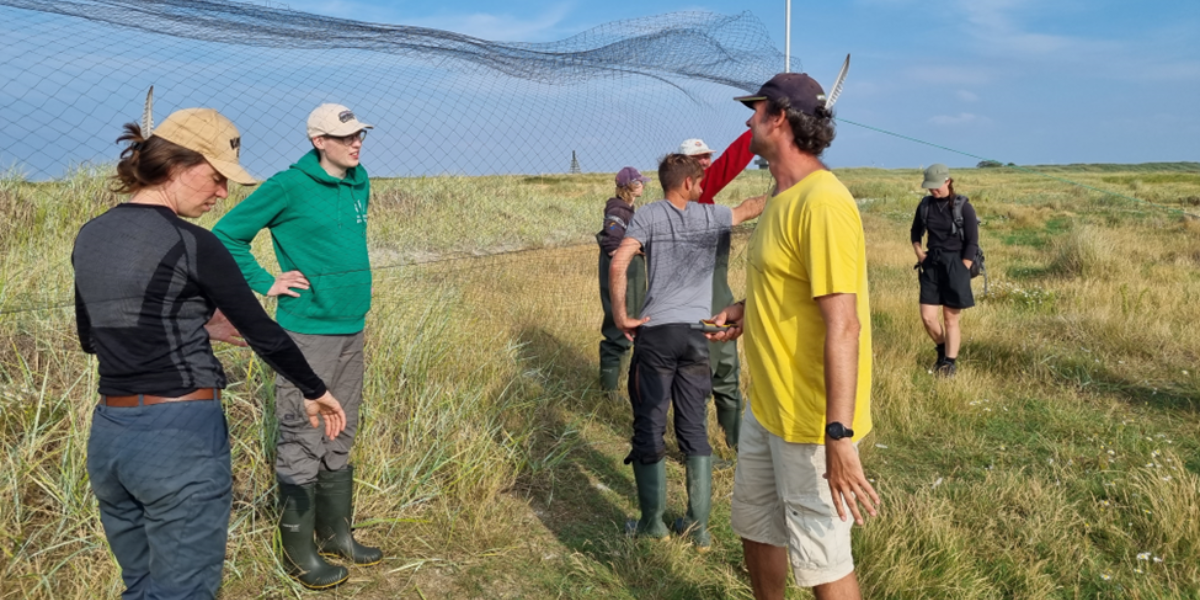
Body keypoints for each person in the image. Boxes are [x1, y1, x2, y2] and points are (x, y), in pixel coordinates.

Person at [73, 108, 347, 599]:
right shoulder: (192, 242)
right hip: (180, 438)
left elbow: (92, 337)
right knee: (186, 590)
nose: (222, 193)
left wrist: (188, 320)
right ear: (177, 166)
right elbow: (263, 333)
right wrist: (314, 389)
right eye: (217, 177)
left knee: (141, 585)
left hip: (110, 439)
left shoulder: (90, 235)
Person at [707, 73, 881, 599]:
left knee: (824, 561)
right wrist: (748, 311)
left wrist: (838, 435)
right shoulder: (780, 196)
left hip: (809, 421)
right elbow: (791, 286)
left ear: (778, 118)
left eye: (756, 110)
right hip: (767, 407)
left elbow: (844, 324)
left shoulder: (822, 202)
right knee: (757, 529)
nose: (748, 121)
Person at [213, 103, 380, 588]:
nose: (356, 142)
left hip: (352, 326)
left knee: (342, 427)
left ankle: (336, 534)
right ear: (318, 141)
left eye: (359, 134)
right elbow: (227, 235)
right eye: (345, 137)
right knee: (302, 433)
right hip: (306, 333)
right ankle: (299, 555)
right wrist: (267, 282)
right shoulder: (288, 185)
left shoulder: (360, 181)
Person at [609, 154, 765, 550]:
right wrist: (786, 188)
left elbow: (619, 261)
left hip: (657, 334)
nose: (702, 187)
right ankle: (699, 529)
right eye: (698, 181)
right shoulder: (710, 216)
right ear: (685, 184)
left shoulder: (647, 215)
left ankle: (652, 523)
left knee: (650, 423)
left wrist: (622, 315)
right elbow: (749, 208)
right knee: (693, 426)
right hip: (698, 336)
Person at [679, 133, 756, 449]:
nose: (707, 162)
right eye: (699, 159)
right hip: (702, 307)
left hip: (720, 300)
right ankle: (697, 451)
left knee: (726, 373)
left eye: (708, 156)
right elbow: (731, 162)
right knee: (703, 375)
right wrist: (762, 128)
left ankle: (733, 444)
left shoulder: (702, 199)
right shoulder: (694, 198)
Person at [911, 163, 979, 377]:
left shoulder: (963, 207)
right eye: (929, 187)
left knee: (950, 319)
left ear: (948, 181)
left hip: (956, 263)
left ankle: (949, 363)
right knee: (928, 317)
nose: (933, 190)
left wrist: (963, 267)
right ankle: (942, 349)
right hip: (932, 263)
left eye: (936, 186)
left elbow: (972, 242)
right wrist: (920, 253)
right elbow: (915, 232)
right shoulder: (925, 205)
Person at [596, 167, 650, 393]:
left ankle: (617, 384)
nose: (643, 186)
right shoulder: (617, 210)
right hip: (621, 276)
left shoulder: (626, 209)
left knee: (628, 328)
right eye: (640, 182)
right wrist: (632, 250)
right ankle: (609, 391)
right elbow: (611, 244)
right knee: (617, 329)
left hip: (629, 277)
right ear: (632, 186)